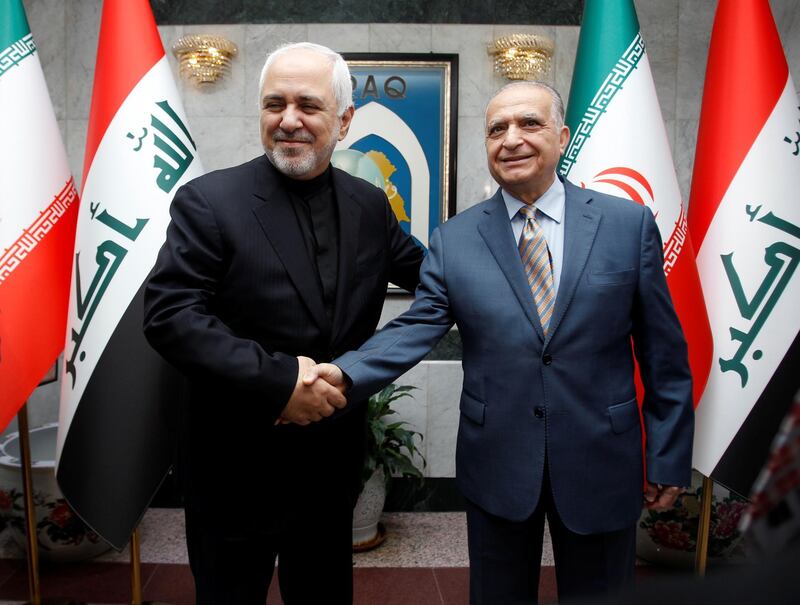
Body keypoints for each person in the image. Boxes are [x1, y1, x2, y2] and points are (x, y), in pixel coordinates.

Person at [305, 81, 695, 604]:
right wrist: (343, 373)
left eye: (528, 124)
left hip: (603, 457)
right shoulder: (456, 239)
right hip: (499, 460)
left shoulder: (626, 225)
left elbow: (663, 352)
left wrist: (669, 456)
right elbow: (415, 326)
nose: (511, 139)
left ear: (561, 137)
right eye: (496, 129)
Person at [143, 42, 424, 604]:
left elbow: (436, 276)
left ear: (343, 120)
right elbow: (171, 314)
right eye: (275, 104)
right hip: (232, 469)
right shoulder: (209, 201)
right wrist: (279, 384)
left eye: (308, 105)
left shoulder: (371, 204)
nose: (288, 120)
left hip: (329, 467)